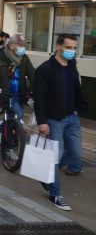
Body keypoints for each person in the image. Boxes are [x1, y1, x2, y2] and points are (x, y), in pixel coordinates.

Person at [33, 34, 89, 210]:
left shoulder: (72, 66)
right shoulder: (45, 69)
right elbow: (39, 97)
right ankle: (55, 194)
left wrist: (79, 109)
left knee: (75, 153)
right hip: (53, 119)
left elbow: (75, 89)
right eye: (69, 47)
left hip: (72, 117)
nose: (72, 51)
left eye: (74, 48)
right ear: (59, 47)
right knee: (55, 156)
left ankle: (46, 175)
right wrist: (42, 122)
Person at [0, 34, 35, 145]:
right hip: (5, 92)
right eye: (19, 44)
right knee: (18, 116)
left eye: (23, 44)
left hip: (19, 93)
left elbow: (33, 74)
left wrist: (38, 88)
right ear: (11, 46)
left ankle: (10, 146)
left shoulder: (24, 58)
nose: (22, 47)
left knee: (13, 119)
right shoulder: (0, 56)